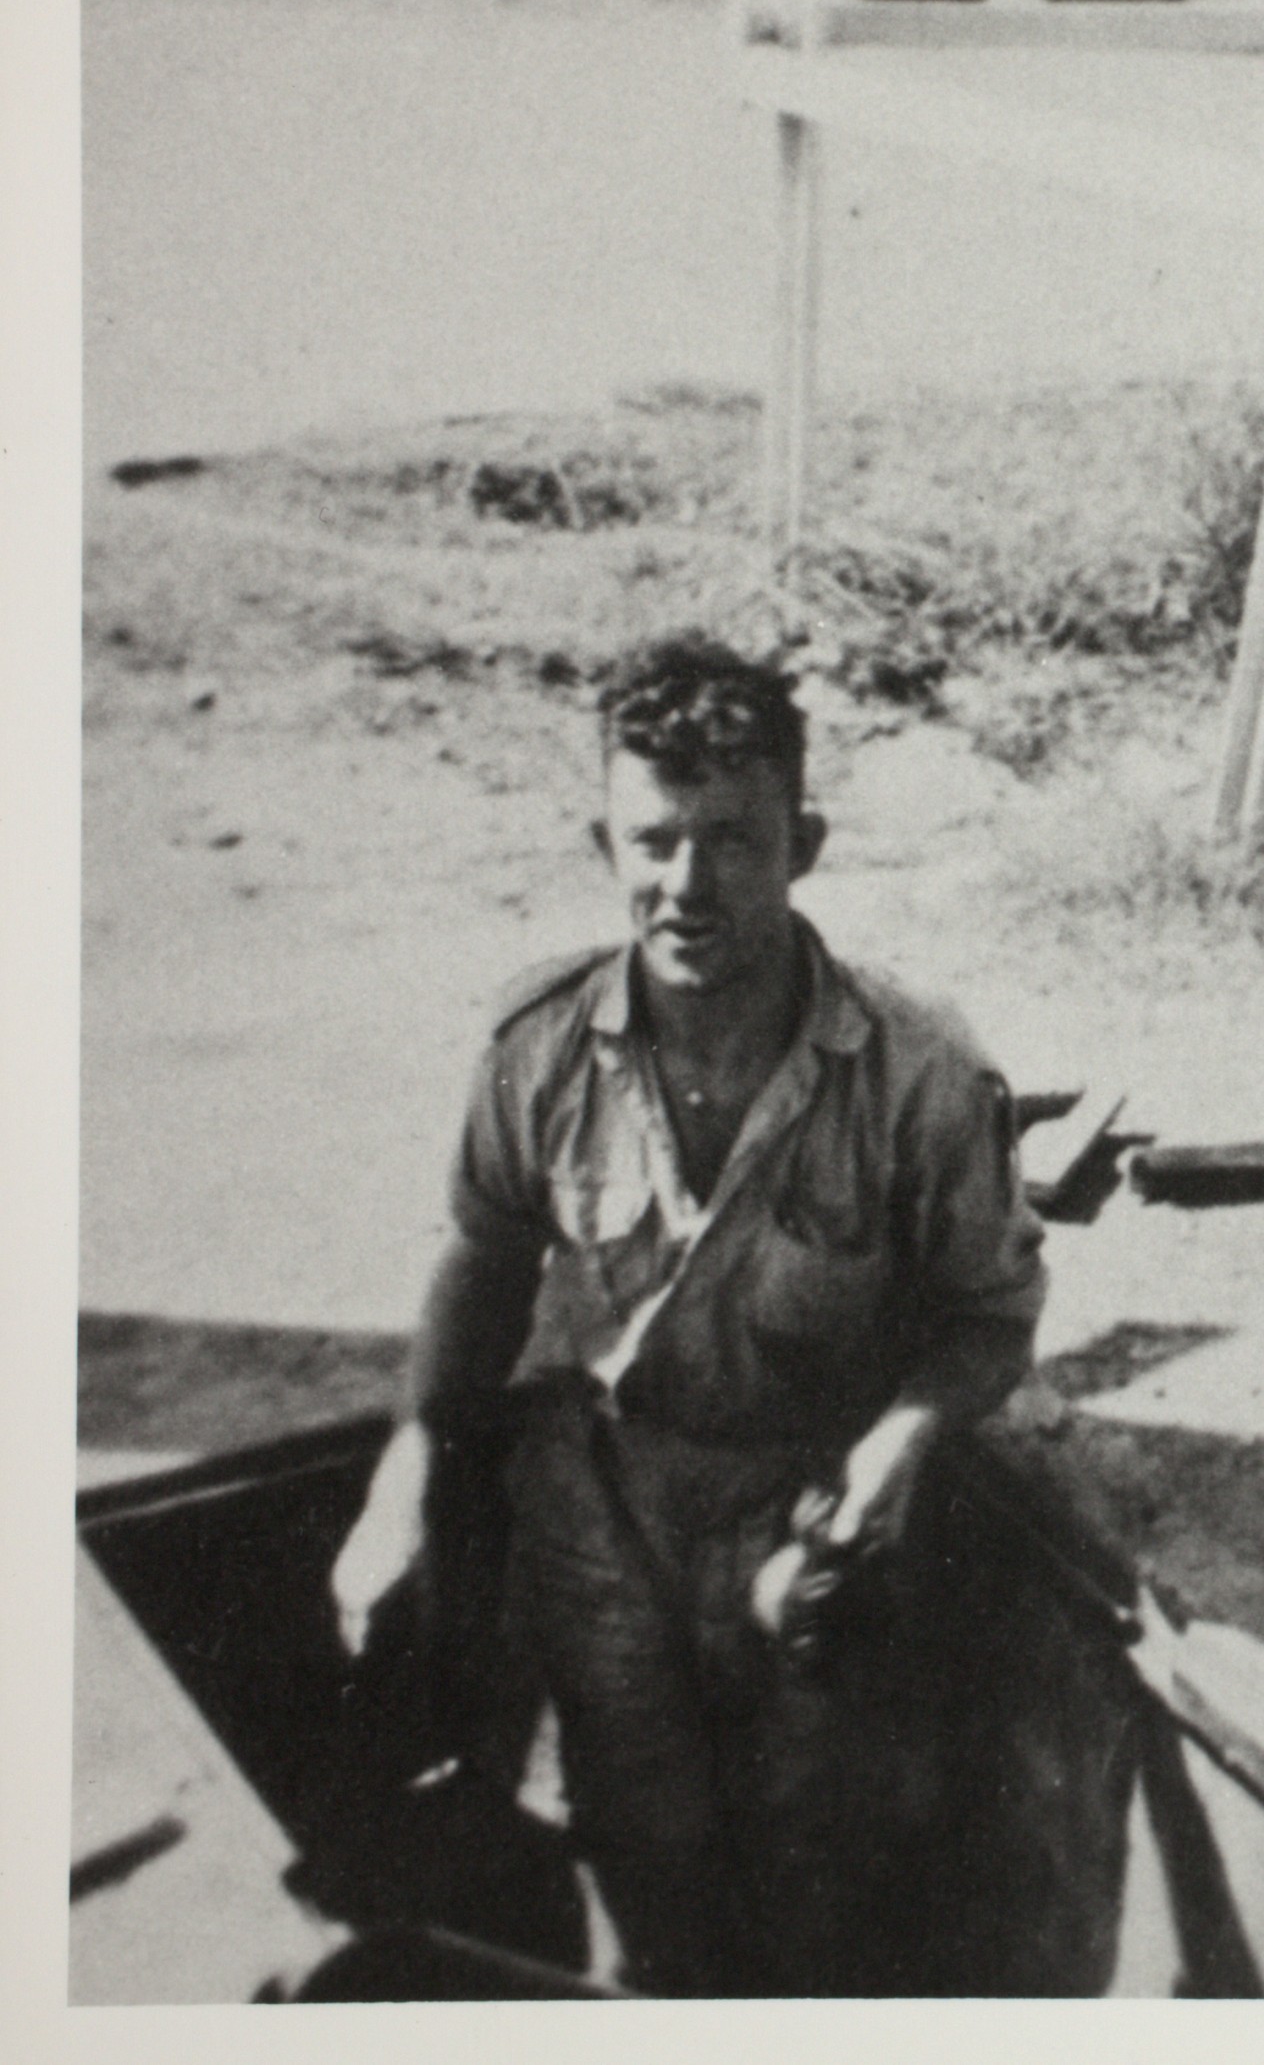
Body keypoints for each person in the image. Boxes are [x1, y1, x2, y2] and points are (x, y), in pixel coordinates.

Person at [329, 633, 1048, 1994]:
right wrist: (399, 1487)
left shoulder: (920, 1071)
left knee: (812, 1855)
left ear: (806, 840)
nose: (687, 884)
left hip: (809, 1513)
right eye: (653, 839)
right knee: (633, 1841)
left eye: (733, 838)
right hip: (599, 1502)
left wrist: (892, 1457)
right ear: (601, 838)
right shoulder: (535, 1048)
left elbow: (989, 1316)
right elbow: (481, 1266)